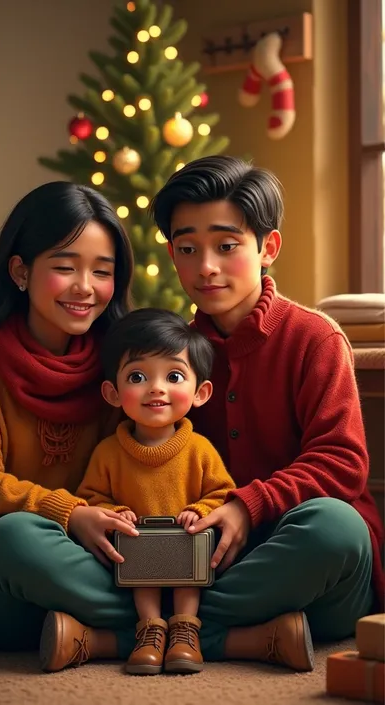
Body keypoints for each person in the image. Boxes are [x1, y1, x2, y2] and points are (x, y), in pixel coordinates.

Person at [147, 155, 384, 672]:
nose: (205, 265)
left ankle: (139, 632)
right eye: (187, 249)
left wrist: (246, 505)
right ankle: (237, 636)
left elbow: (343, 463)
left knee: (336, 527)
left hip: (309, 571)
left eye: (226, 246)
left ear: (267, 248)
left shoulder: (315, 338)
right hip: (210, 563)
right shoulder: (168, 359)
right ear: (172, 255)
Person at [0, 181, 142, 665]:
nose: (85, 287)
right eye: (65, 267)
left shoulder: (117, 369)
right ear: (20, 270)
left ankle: (107, 635)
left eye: (102, 271)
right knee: (16, 534)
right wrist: (70, 514)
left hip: (90, 561)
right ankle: (203, 630)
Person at [76, 308, 236, 675]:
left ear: (201, 392)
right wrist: (114, 512)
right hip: (136, 551)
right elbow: (91, 497)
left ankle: (184, 629)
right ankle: (149, 630)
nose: (157, 388)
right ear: (113, 393)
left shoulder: (199, 450)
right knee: (141, 569)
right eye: (138, 376)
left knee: (189, 567)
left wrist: (199, 509)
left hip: (186, 545)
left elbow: (224, 493)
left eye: (174, 375)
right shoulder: (108, 453)